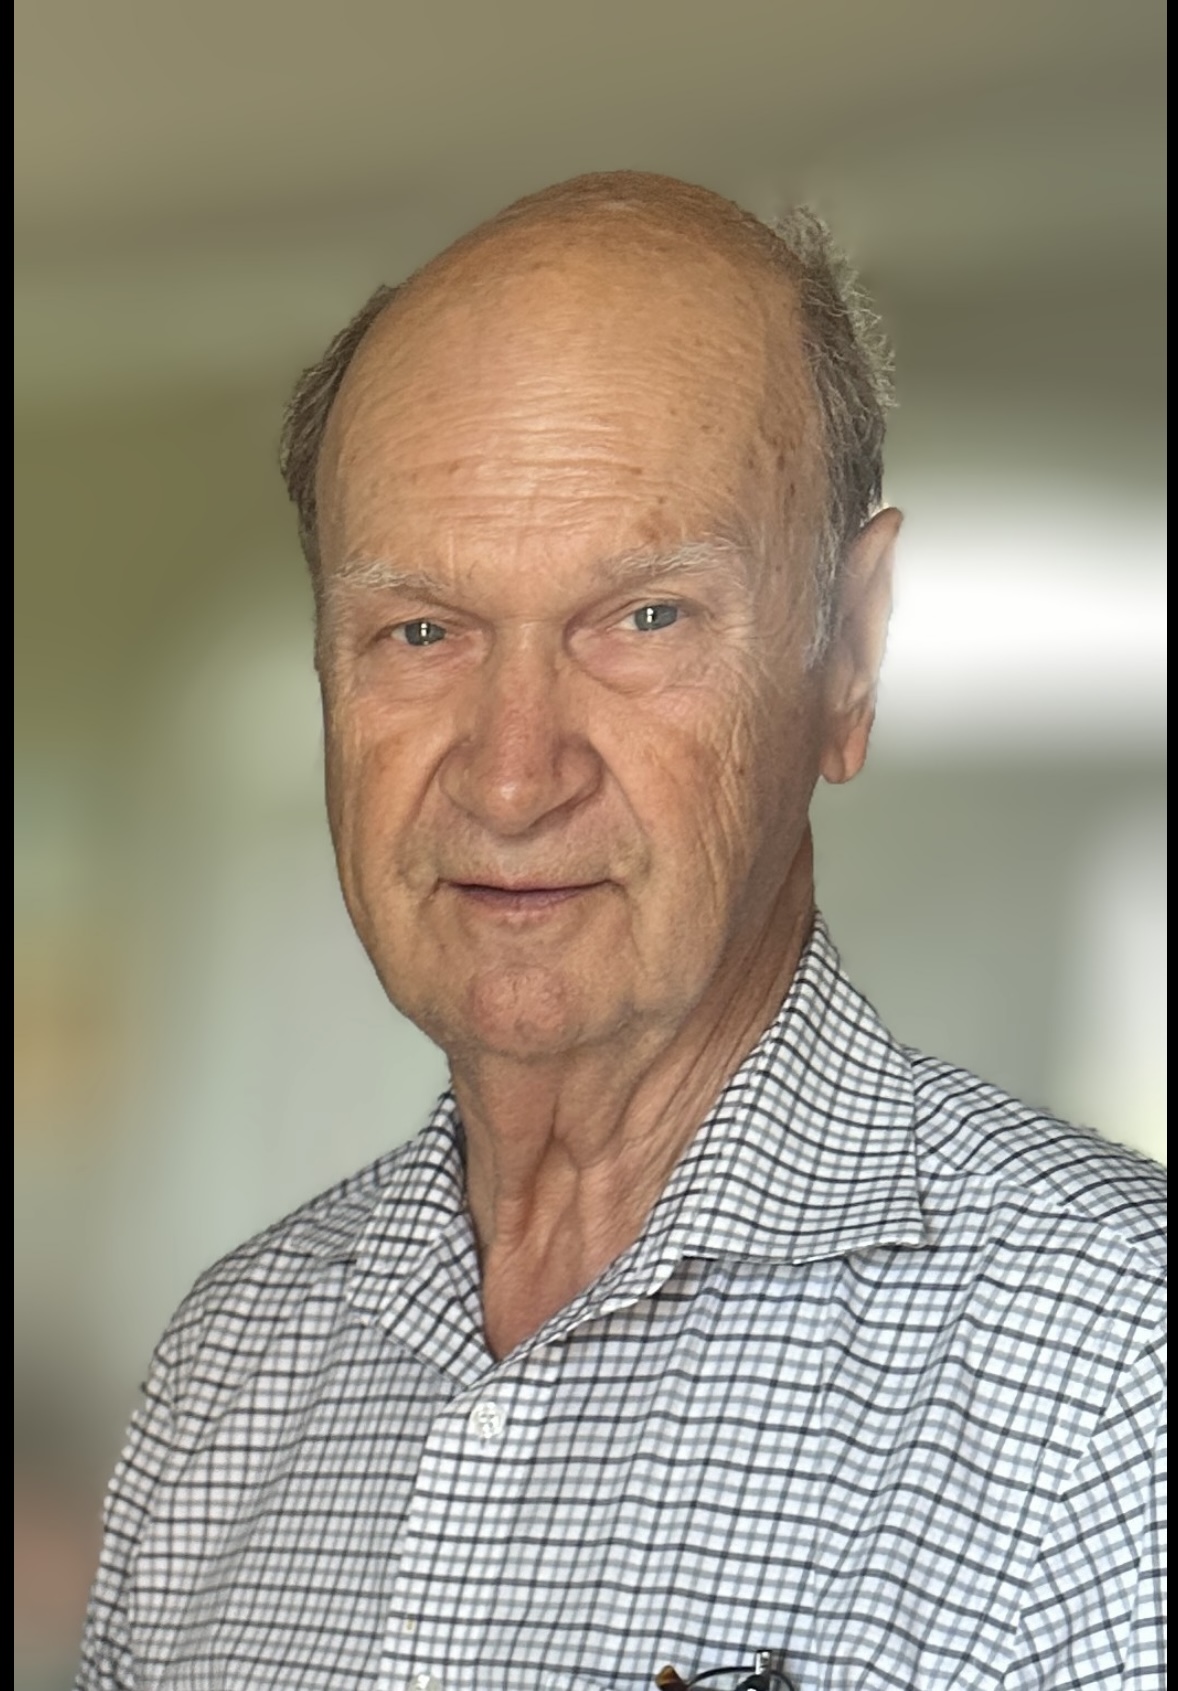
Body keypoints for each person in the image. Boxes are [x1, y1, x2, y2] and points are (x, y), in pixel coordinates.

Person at [77, 173, 1164, 1691]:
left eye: (644, 617)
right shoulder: (228, 1368)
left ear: (850, 655)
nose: (513, 774)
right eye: (420, 631)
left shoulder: (1117, 1371)